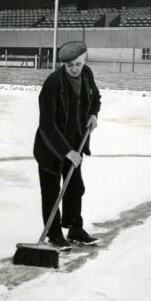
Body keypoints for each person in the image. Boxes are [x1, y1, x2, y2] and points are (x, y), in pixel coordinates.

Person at [32, 40, 101, 250]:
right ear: (63, 64)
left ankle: (75, 229)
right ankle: (54, 235)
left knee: (74, 188)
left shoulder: (87, 74)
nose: (74, 68)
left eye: (78, 64)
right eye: (69, 65)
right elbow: (47, 124)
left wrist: (93, 114)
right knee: (52, 193)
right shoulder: (53, 83)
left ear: (84, 60)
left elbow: (95, 97)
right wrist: (66, 152)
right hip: (50, 148)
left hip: (75, 143)